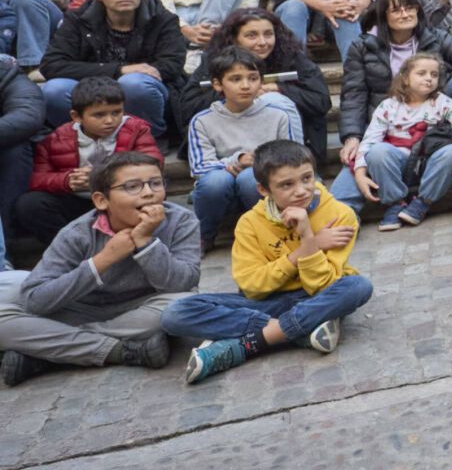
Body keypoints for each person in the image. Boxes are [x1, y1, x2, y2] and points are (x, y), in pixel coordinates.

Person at [163, 140, 374, 385]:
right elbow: (252, 286)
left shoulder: (340, 214)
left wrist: (306, 233)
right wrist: (310, 246)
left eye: (307, 178)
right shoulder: (249, 223)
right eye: (287, 184)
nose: (301, 190)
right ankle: (300, 331)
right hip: (266, 303)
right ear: (264, 190)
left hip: (314, 297)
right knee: (175, 313)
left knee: (358, 286)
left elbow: (322, 286)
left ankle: (246, 345)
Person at [0, 152, 198, 387]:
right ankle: (120, 349)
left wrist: (146, 242)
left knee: (182, 305)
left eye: (156, 183)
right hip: (82, 308)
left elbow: (183, 283)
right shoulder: (77, 233)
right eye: (132, 186)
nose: (149, 192)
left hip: (143, 307)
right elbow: (36, 300)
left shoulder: (181, 221)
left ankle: (50, 352)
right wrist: (103, 260)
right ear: (101, 200)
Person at [12, 77, 162, 251]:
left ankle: (134, 245)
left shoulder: (137, 129)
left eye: (116, 112)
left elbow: (153, 164)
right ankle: (72, 250)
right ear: (76, 117)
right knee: (30, 204)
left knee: (150, 193)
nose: (110, 120)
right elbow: (37, 179)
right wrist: (66, 180)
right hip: (78, 200)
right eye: (99, 115)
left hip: (123, 198)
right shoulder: (56, 139)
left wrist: (102, 176)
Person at [40, 0, 185, 136]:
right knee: (54, 90)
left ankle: (146, 139)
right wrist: (120, 70)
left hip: (143, 92)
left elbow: (172, 65)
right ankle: (80, 140)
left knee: (134, 84)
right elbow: (52, 65)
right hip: (90, 89)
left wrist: (131, 75)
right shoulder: (77, 20)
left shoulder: (163, 19)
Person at [337, 52, 452, 230]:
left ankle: (422, 202)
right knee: (378, 151)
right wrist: (360, 171)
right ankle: (395, 203)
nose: (429, 79)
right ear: (405, 78)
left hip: (426, 163)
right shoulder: (389, 106)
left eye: (434, 75)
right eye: (422, 73)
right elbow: (370, 140)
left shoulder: (441, 103)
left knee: (451, 151)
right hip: (395, 166)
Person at [186, 47, 305, 247]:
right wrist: (237, 161)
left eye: (253, 78)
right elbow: (200, 167)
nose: (246, 85)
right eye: (236, 79)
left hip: (259, 187)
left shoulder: (277, 115)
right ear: (217, 84)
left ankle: (267, 233)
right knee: (215, 181)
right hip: (221, 187)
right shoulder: (202, 120)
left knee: (251, 177)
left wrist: (256, 164)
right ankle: (205, 236)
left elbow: (291, 158)